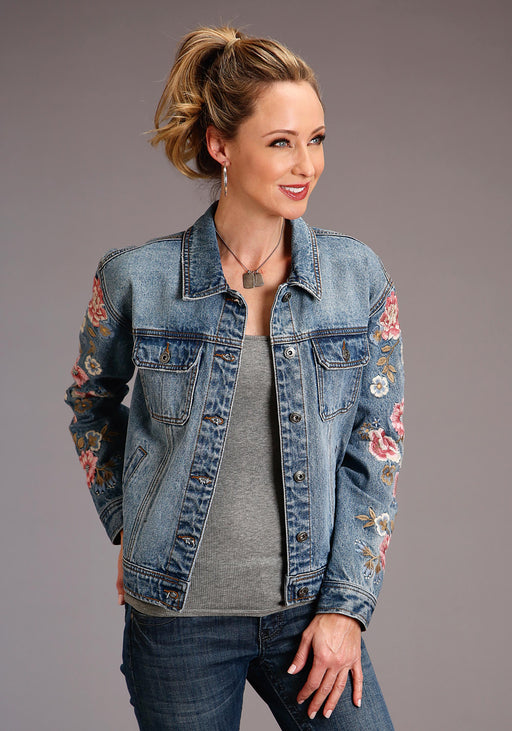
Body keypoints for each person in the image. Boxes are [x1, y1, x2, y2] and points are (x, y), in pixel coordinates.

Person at [66, 25, 404, 730]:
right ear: (221, 145)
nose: (306, 164)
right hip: (177, 618)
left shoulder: (357, 277)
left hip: (310, 610)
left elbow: (376, 447)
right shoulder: (137, 278)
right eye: (281, 142)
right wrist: (131, 522)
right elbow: (90, 403)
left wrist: (347, 607)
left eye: (317, 139)